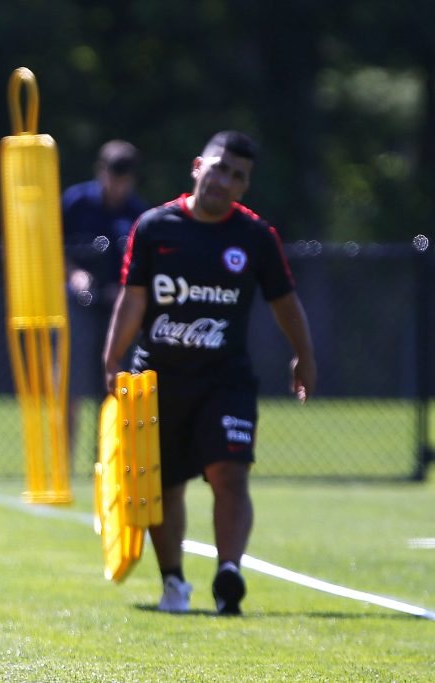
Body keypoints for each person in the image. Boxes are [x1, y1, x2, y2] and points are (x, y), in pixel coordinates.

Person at [102, 131, 316, 616]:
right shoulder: (155, 226)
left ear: (244, 187)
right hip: (157, 379)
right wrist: (112, 361)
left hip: (226, 380)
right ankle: (173, 582)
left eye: (237, 176)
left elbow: (285, 301)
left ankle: (229, 573)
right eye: (220, 167)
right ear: (199, 166)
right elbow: (133, 298)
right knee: (163, 484)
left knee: (230, 473)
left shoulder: (256, 237)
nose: (225, 180)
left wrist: (304, 354)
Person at [61, 140, 146, 462]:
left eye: (125, 179)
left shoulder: (138, 213)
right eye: (113, 176)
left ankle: (106, 459)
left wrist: (123, 290)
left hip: (116, 311)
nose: (117, 186)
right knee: (70, 386)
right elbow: (52, 246)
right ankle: (63, 463)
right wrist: (74, 275)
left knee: (112, 385)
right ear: (101, 172)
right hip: (76, 306)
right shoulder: (76, 202)